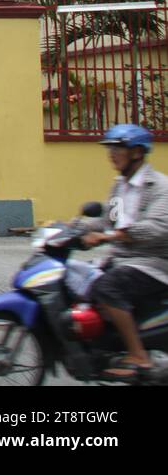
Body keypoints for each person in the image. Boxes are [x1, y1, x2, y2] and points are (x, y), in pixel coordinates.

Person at [82, 123, 168, 380]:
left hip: (154, 263)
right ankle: (108, 349)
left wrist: (111, 236)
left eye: (118, 148)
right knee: (81, 284)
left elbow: (157, 227)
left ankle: (138, 355)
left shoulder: (159, 187)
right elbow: (109, 220)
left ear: (137, 152)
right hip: (123, 260)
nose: (111, 154)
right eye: (110, 149)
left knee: (108, 287)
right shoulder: (121, 185)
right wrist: (71, 227)